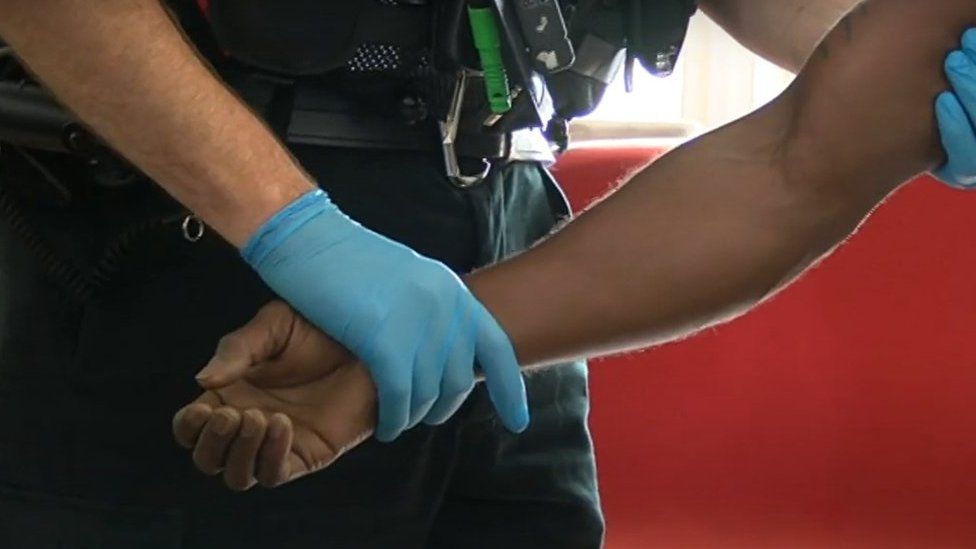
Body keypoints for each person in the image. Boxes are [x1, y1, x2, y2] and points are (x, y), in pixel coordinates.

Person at [0, 0, 971, 547]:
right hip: (176, 209)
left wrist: (900, 57)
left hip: (504, 231)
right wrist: (292, 229)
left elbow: (807, 151)